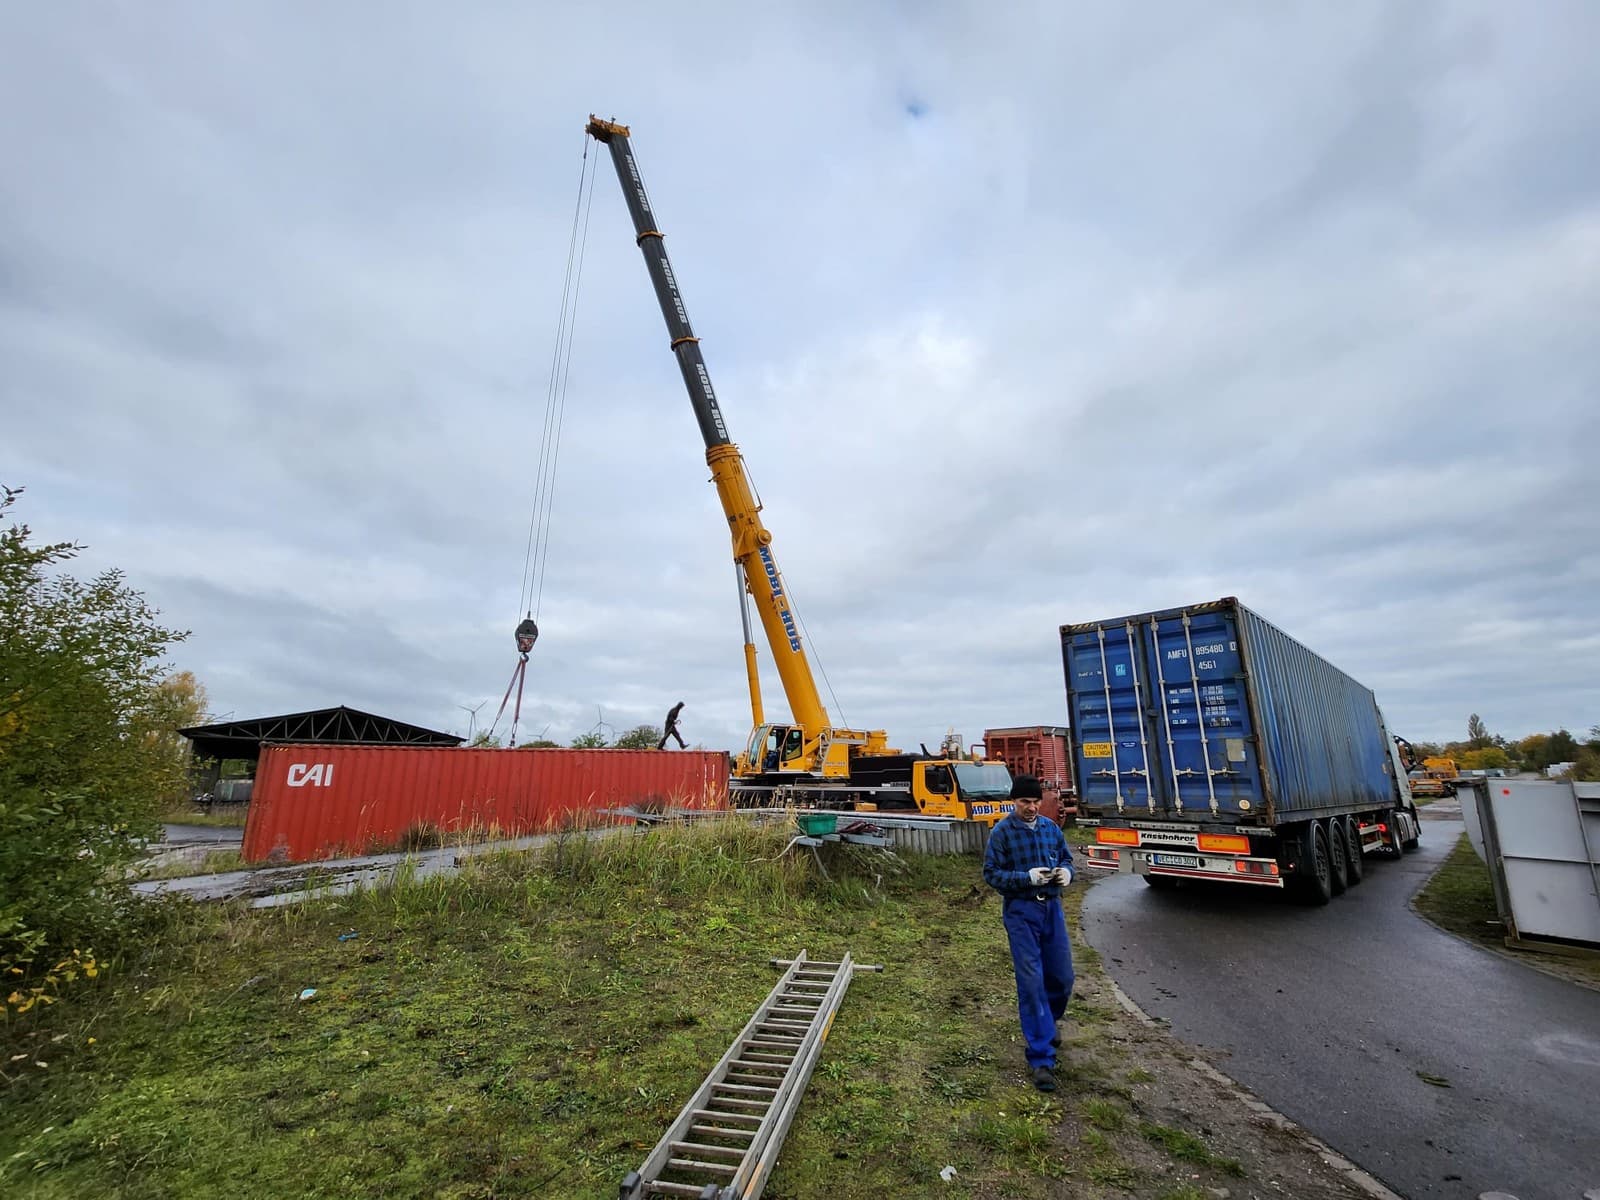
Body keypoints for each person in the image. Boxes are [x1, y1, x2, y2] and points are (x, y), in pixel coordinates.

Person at [982, 773, 1076, 1092]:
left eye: (1035, 801)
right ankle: (1042, 1059)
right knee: (1032, 983)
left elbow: (1066, 858)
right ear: (1014, 801)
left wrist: (1066, 873)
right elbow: (991, 875)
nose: (1031, 807)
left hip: (1052, 910)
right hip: (1022, 913)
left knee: (1062, 978)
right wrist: (1027, 878)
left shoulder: (1051, 829)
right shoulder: (1002, 833)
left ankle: (1048, 1024)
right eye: (1025, 802)